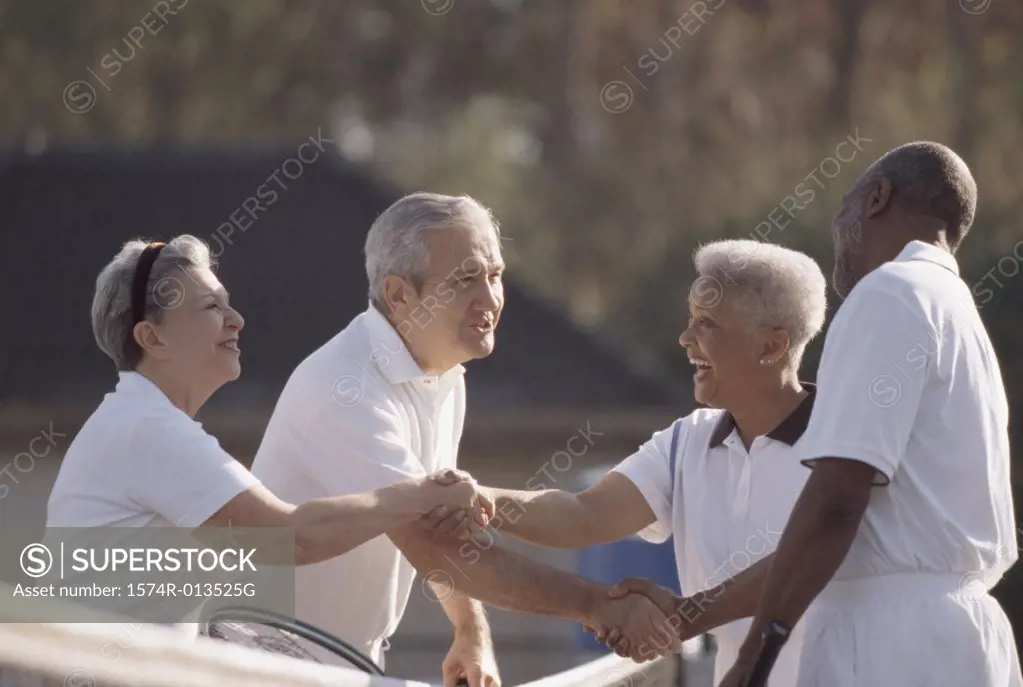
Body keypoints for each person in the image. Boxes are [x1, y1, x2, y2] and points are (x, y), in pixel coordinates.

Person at [249, 192, 678, 686]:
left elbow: (443, 526)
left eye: (495, 275)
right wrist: (597, 605)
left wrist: (470, 630)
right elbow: (436, 547)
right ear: (398, 295)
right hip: (265, 659)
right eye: (465, 279)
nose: (490, 298)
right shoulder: (345, 389)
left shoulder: (446, 374)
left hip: (336, 659)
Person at [429, 239, 828, 686]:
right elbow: (585, 514)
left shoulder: (846, 447)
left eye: (709, 324)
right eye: (690, 320)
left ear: (772, 347)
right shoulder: (687, 440)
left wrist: (682, 617)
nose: (685, 338)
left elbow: (805, 561)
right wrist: (482, 501)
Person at [46, 234, 491, 634]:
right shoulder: (147, 429)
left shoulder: (138, 421)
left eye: (228, 303)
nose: (236, 319)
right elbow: (294, 537)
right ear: (153, 339)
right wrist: (421, 495)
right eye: (211, 308)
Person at [716, 141, 1022, 687]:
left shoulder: (890, 293)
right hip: (962, 643)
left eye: (842, 210)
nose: (837, 238)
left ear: (877, 197)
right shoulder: (960, 315)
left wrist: (753, 657)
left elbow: (837, 498)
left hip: (891, 647)